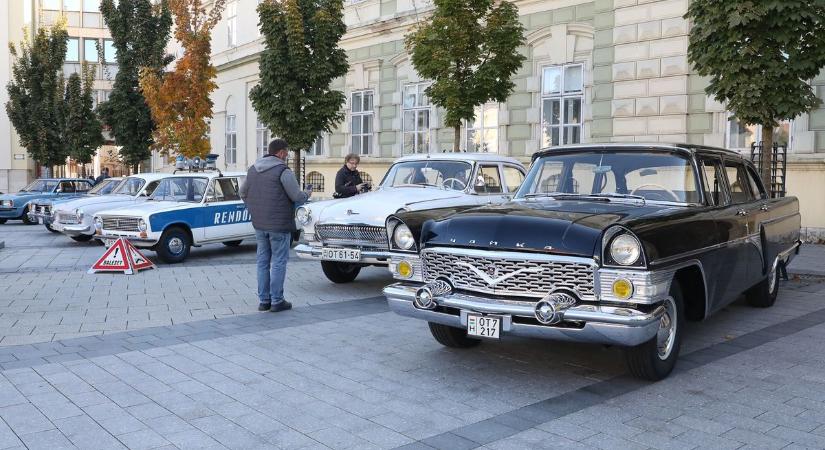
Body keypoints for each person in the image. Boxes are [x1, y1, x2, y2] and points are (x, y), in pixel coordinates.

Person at [240, 139, 312, 313]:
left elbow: (243, 193)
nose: (286, 156)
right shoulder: (282, 170)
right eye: (286, 153)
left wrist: (255, 208)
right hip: (279, 225)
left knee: (262, 261)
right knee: (279, 261)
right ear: (280, 153)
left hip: (259, 224)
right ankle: (277, 301)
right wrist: (307, 193)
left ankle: (264, 301)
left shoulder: (253, 169)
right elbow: (296, 196)